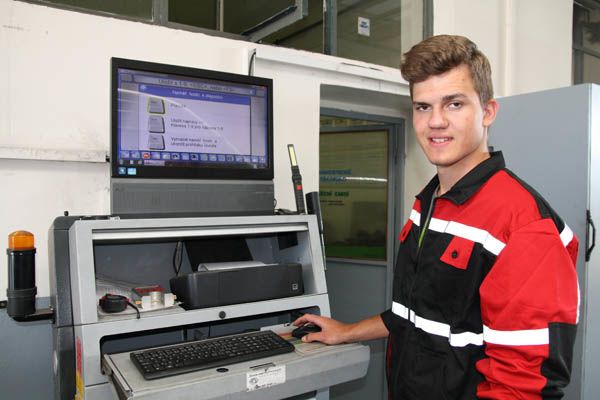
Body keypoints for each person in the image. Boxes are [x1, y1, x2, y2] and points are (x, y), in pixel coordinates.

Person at [294, 35, 579, 399]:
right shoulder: (428, 204)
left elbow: (525, 386)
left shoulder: (523, 224)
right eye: (423, 107)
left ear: (488, 112)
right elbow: (414, 315)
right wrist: (345, 331)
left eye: (454, 104)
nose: (436, 121)